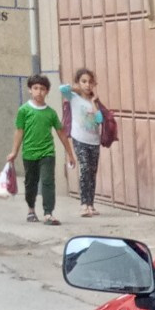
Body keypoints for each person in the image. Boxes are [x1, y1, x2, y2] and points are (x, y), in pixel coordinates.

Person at [8, 73, 75, 226]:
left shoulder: (50, 113)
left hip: (47, 152)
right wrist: (14, 152)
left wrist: (70, 154)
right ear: (30, 90)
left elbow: (61, 133)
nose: (39, 91)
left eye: (42, 89)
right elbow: (19, 131)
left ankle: (48, 213)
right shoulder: (24, 110)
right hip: (30, 153)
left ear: (47, 91)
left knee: (47, 181)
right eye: (35, 88)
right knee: (31, 183)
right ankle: (31, 209)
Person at [59, 67, 106, 217]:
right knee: (85, 168)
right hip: (80, 139)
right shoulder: (73, 97)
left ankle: (91, 204)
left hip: (94, 141)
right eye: (84, 81)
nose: (87, 85)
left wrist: (94, 103)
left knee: (92, 172)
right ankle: (83, 204)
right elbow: (62, 88)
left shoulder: (94, 101)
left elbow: (99, 120)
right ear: (78, 83)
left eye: (90, 82)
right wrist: (78, 89)